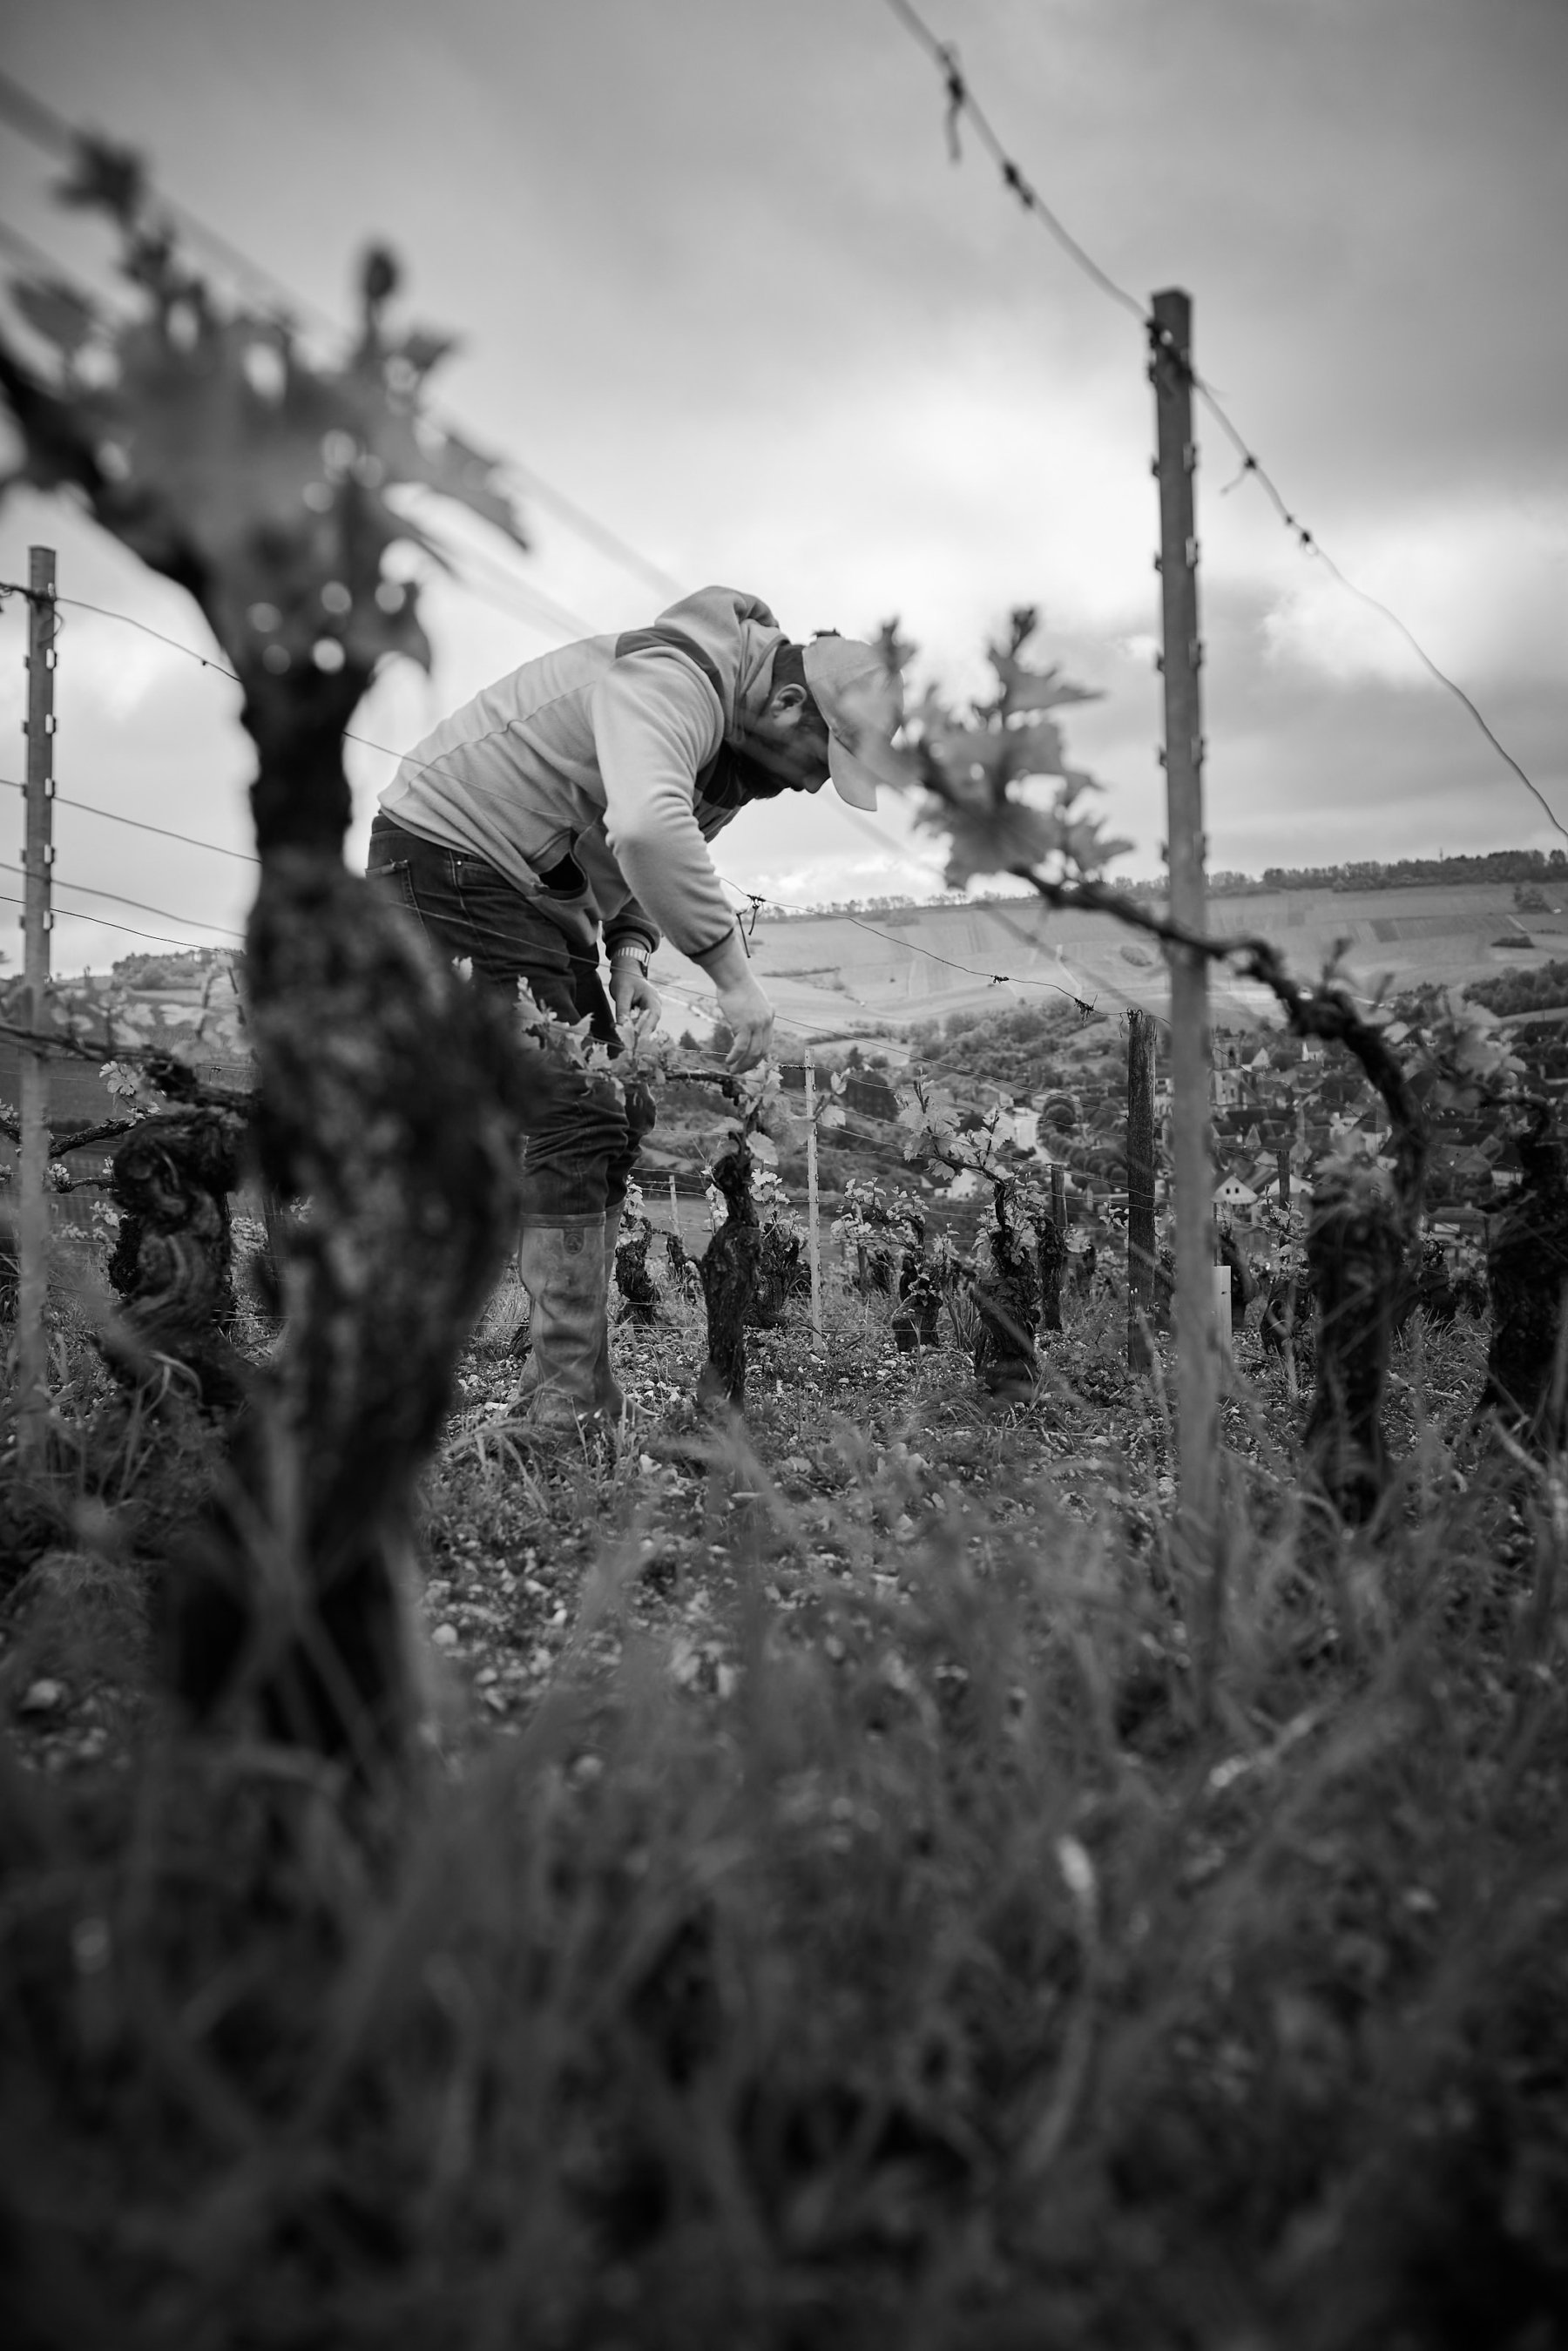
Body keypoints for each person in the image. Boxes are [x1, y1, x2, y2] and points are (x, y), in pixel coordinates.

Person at [366, 584, 901, 1443]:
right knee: (571, 1113)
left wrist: (632, 955)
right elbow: (651, 829)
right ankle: (558, 1409)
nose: (812, 786)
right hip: (450, 858)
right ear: (790, 700)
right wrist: (733, 976)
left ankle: (564, 1395)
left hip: (527, 886)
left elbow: (629, 852)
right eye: (819, 759)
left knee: (614, 1113)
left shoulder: (735, 740)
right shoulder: (674, 683)